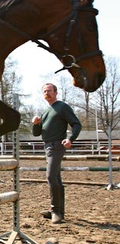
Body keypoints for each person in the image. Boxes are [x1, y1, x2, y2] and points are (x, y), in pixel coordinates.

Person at [32, 83, 82, 224]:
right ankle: (59, 211)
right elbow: (37, 134)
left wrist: (70, 138)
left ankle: (56, 211)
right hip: (47, 146)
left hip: (57, 145)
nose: (46, 93)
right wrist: (35, 124)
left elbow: (76, 124)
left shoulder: (62, 107)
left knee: (50, 176)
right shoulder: (46, 111)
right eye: (44, 91)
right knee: (56, 179)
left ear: (56, 93)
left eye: (49, 91)